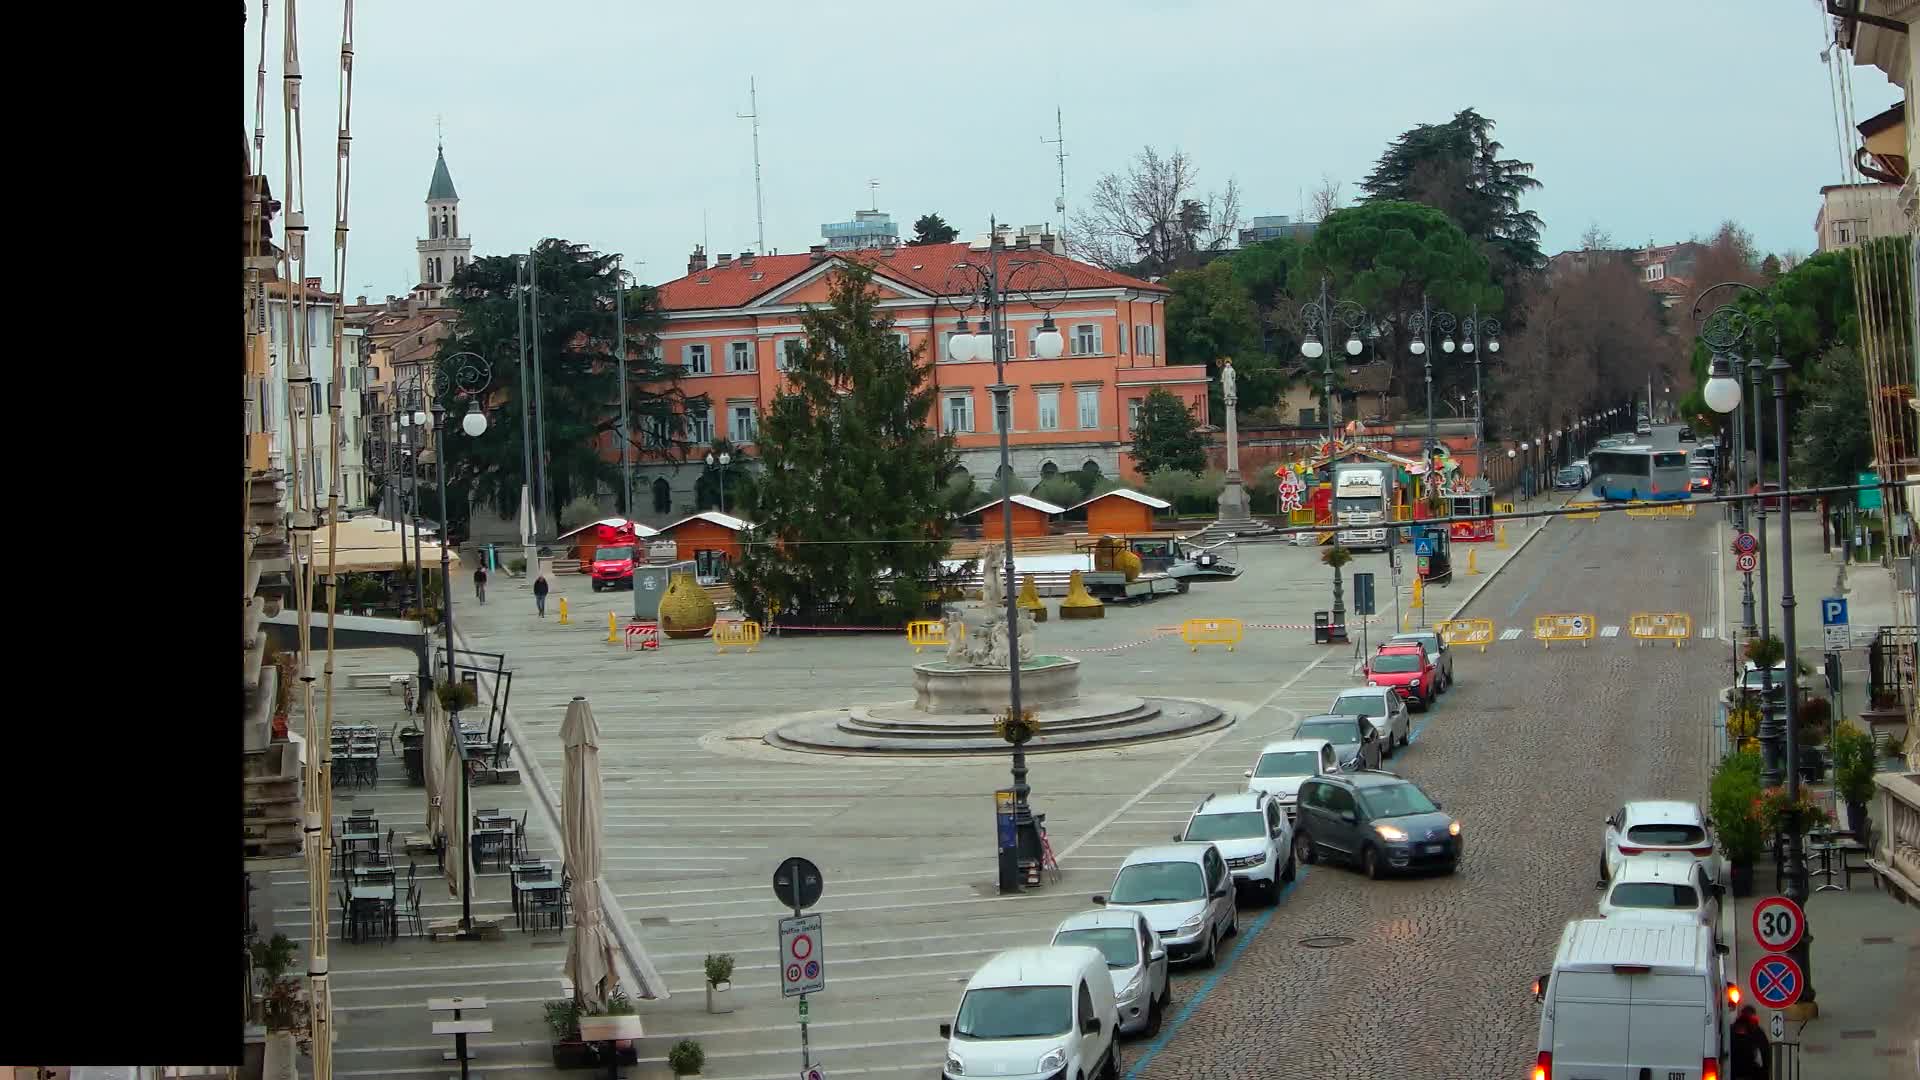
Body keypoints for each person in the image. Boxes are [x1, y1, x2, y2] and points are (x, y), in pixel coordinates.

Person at [1729, 1004, 1771, 1079]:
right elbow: (1764, 1058)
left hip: (1735, 1074)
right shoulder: (1757, 1033)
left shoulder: (1731, 1031)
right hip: (1751, 1074)